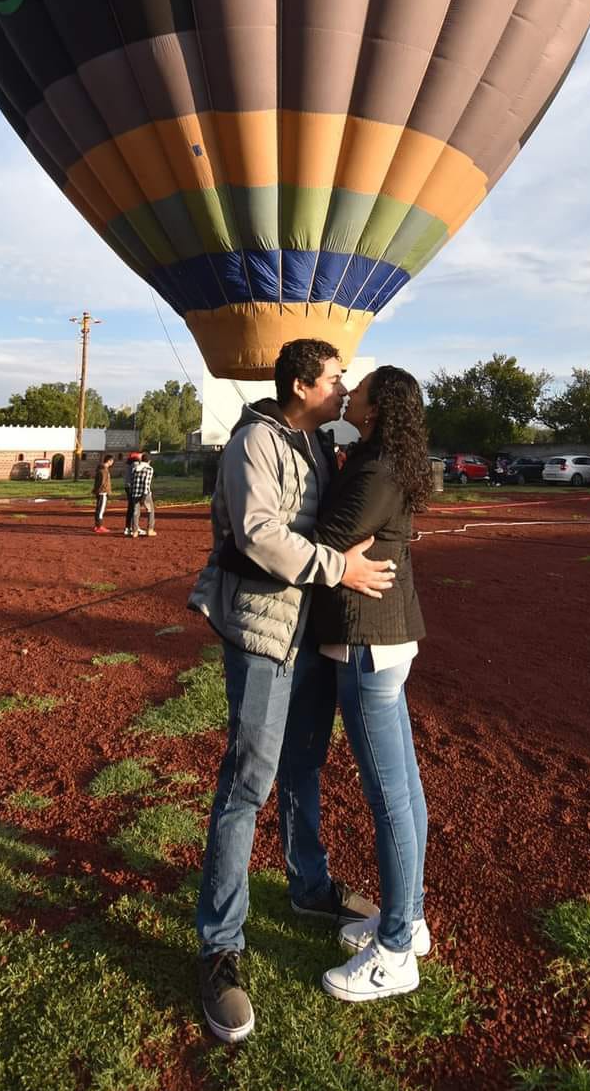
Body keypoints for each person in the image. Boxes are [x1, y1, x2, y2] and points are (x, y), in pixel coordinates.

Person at [188, 338, 396, 1046]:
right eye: (336, 378)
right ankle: (220, 944)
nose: (345, 387)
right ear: (303, 382)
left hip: (309, 632)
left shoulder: (316, 443)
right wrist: (340, 568)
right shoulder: (255, 440)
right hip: (263, 632)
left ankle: (308, 886)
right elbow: (256, 535)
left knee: (305, 766)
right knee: (249, 781)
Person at [310, 366, 432, 1003]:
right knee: (404, 791)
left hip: (367, 642)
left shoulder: (378, 468)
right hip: (385, 639)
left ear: (379, 406)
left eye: (356, 391)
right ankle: (406, 921)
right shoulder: (383, 458)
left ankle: (394, 949)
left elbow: (326, 543)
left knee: (389, 799)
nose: (348, 393)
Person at [124, 451, 155, 537]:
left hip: (134, 493)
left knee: (135, 512)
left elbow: (132, 481)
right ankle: (150, 529)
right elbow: (147, 483)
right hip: (144, 493)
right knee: (150, 511)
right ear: (149, 461)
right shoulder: (149, 469)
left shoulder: (135, 469)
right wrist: (144, 495)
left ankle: (135, 531)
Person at [93, 454, 114, 534]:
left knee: (98, 509)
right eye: (112, 461)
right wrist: (106, 491)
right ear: (109, 461)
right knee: (100, 510)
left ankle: (97, 525)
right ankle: (99, 526)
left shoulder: (101, 469)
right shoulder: (104, 470)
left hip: (100, 492)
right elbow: (103, 483)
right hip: (102, 492)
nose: (112, 463)